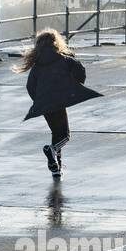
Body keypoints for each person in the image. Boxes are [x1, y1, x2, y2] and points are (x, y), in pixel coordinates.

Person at [17, 28, 102, 176]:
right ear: (56, 43)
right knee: (65, 135)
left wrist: (39, 100)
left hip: (44, 103)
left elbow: (30, 86)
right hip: (58, 100)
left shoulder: (37, 65)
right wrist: (71, 88)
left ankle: (57, 167)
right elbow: (80, 72)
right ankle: (53, 151)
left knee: (56, 132)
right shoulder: (64, 58)